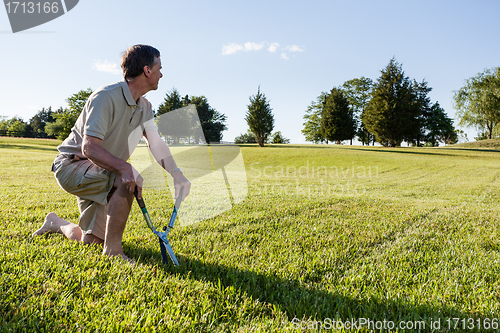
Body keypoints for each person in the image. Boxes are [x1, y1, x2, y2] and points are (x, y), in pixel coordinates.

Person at [33, 44, 191, 262]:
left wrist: (176, 173)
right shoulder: (105, 97)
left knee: (91, 241)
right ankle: (114, 252)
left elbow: (156, 143)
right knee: (126, 177)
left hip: (100, 170)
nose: (161, 74)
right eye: (159, 68)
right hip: (71, 166)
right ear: (147, 70)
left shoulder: (145, 106)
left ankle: (55, 223)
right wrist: (125, 167)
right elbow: (89, 147)